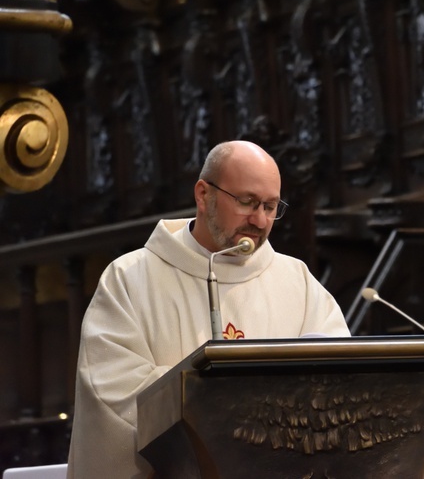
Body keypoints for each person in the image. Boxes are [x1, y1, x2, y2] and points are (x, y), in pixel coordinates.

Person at [67, 140, 351, 478]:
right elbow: (112, 388)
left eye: (271, 206)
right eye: (246, 202)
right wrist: (223, 406)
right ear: (204, 195)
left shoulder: (298, 282)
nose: (260, 220)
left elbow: (338, 383)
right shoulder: (130, 279)